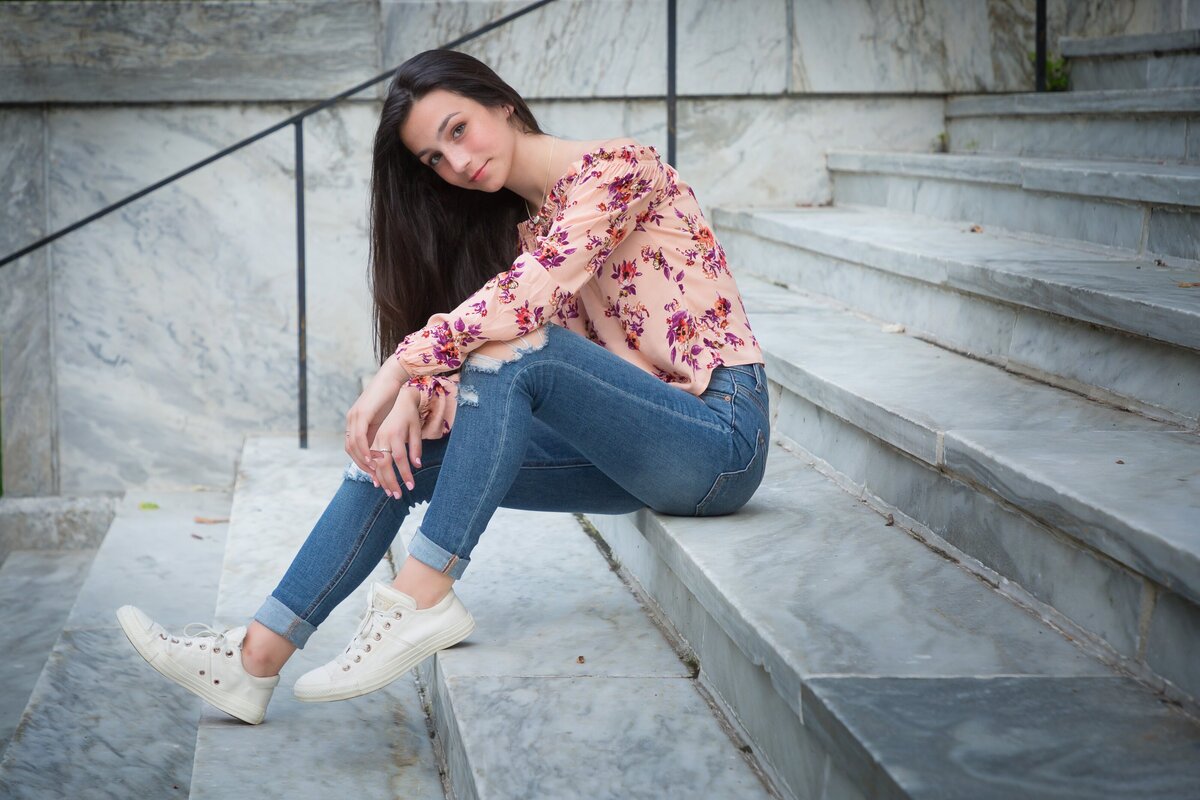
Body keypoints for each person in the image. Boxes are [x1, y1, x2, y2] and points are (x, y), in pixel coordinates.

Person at [116, 48, 769, 725]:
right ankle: (254, 658)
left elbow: (522, 317)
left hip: (719, 438)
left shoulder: (619, 169)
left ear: (501, 103)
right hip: (632, 450)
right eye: (434, 157)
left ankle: (420, 599)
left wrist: (401, 368)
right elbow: (526, 372)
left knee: (522, 347)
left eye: (458, 130)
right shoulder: (533, 231)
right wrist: (419, 402)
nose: (455, 164)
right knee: (402, 456)